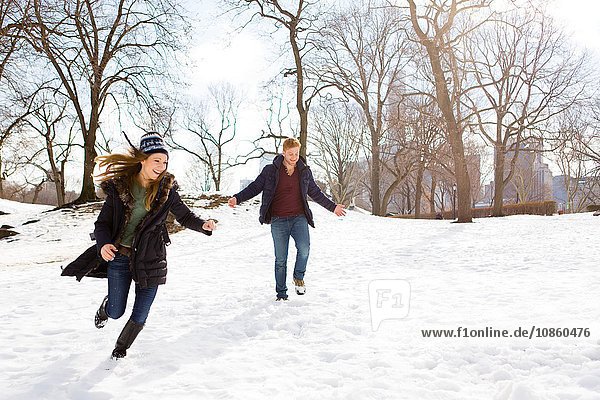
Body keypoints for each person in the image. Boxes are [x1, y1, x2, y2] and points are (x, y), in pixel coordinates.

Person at [63, 132, 217, 359]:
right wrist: (103, 245)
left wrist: (203, 224)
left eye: (165, 162)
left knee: (141, 311)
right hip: (120, 256)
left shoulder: (167, 190)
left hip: (150, 257)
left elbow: (184, 216)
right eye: (157, 160)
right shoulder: (120, 188)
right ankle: (107, 307)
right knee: (117, 311)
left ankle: (120, 349)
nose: (161, 166)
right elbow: (102, 223)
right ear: (142, 160)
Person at [228, 137, 345, 301]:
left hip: (299, 218)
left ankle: (298, 277)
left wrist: (333, 207)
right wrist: (237, 198)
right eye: (290, 154)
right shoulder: (270, 171)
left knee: (304, 249)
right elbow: (255, 187)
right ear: (283, 153)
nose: (294, 157)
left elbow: (315, 193)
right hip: (278, 220)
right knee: (281, 259)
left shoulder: (304, 171)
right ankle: (281, 293)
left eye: (296, 153)